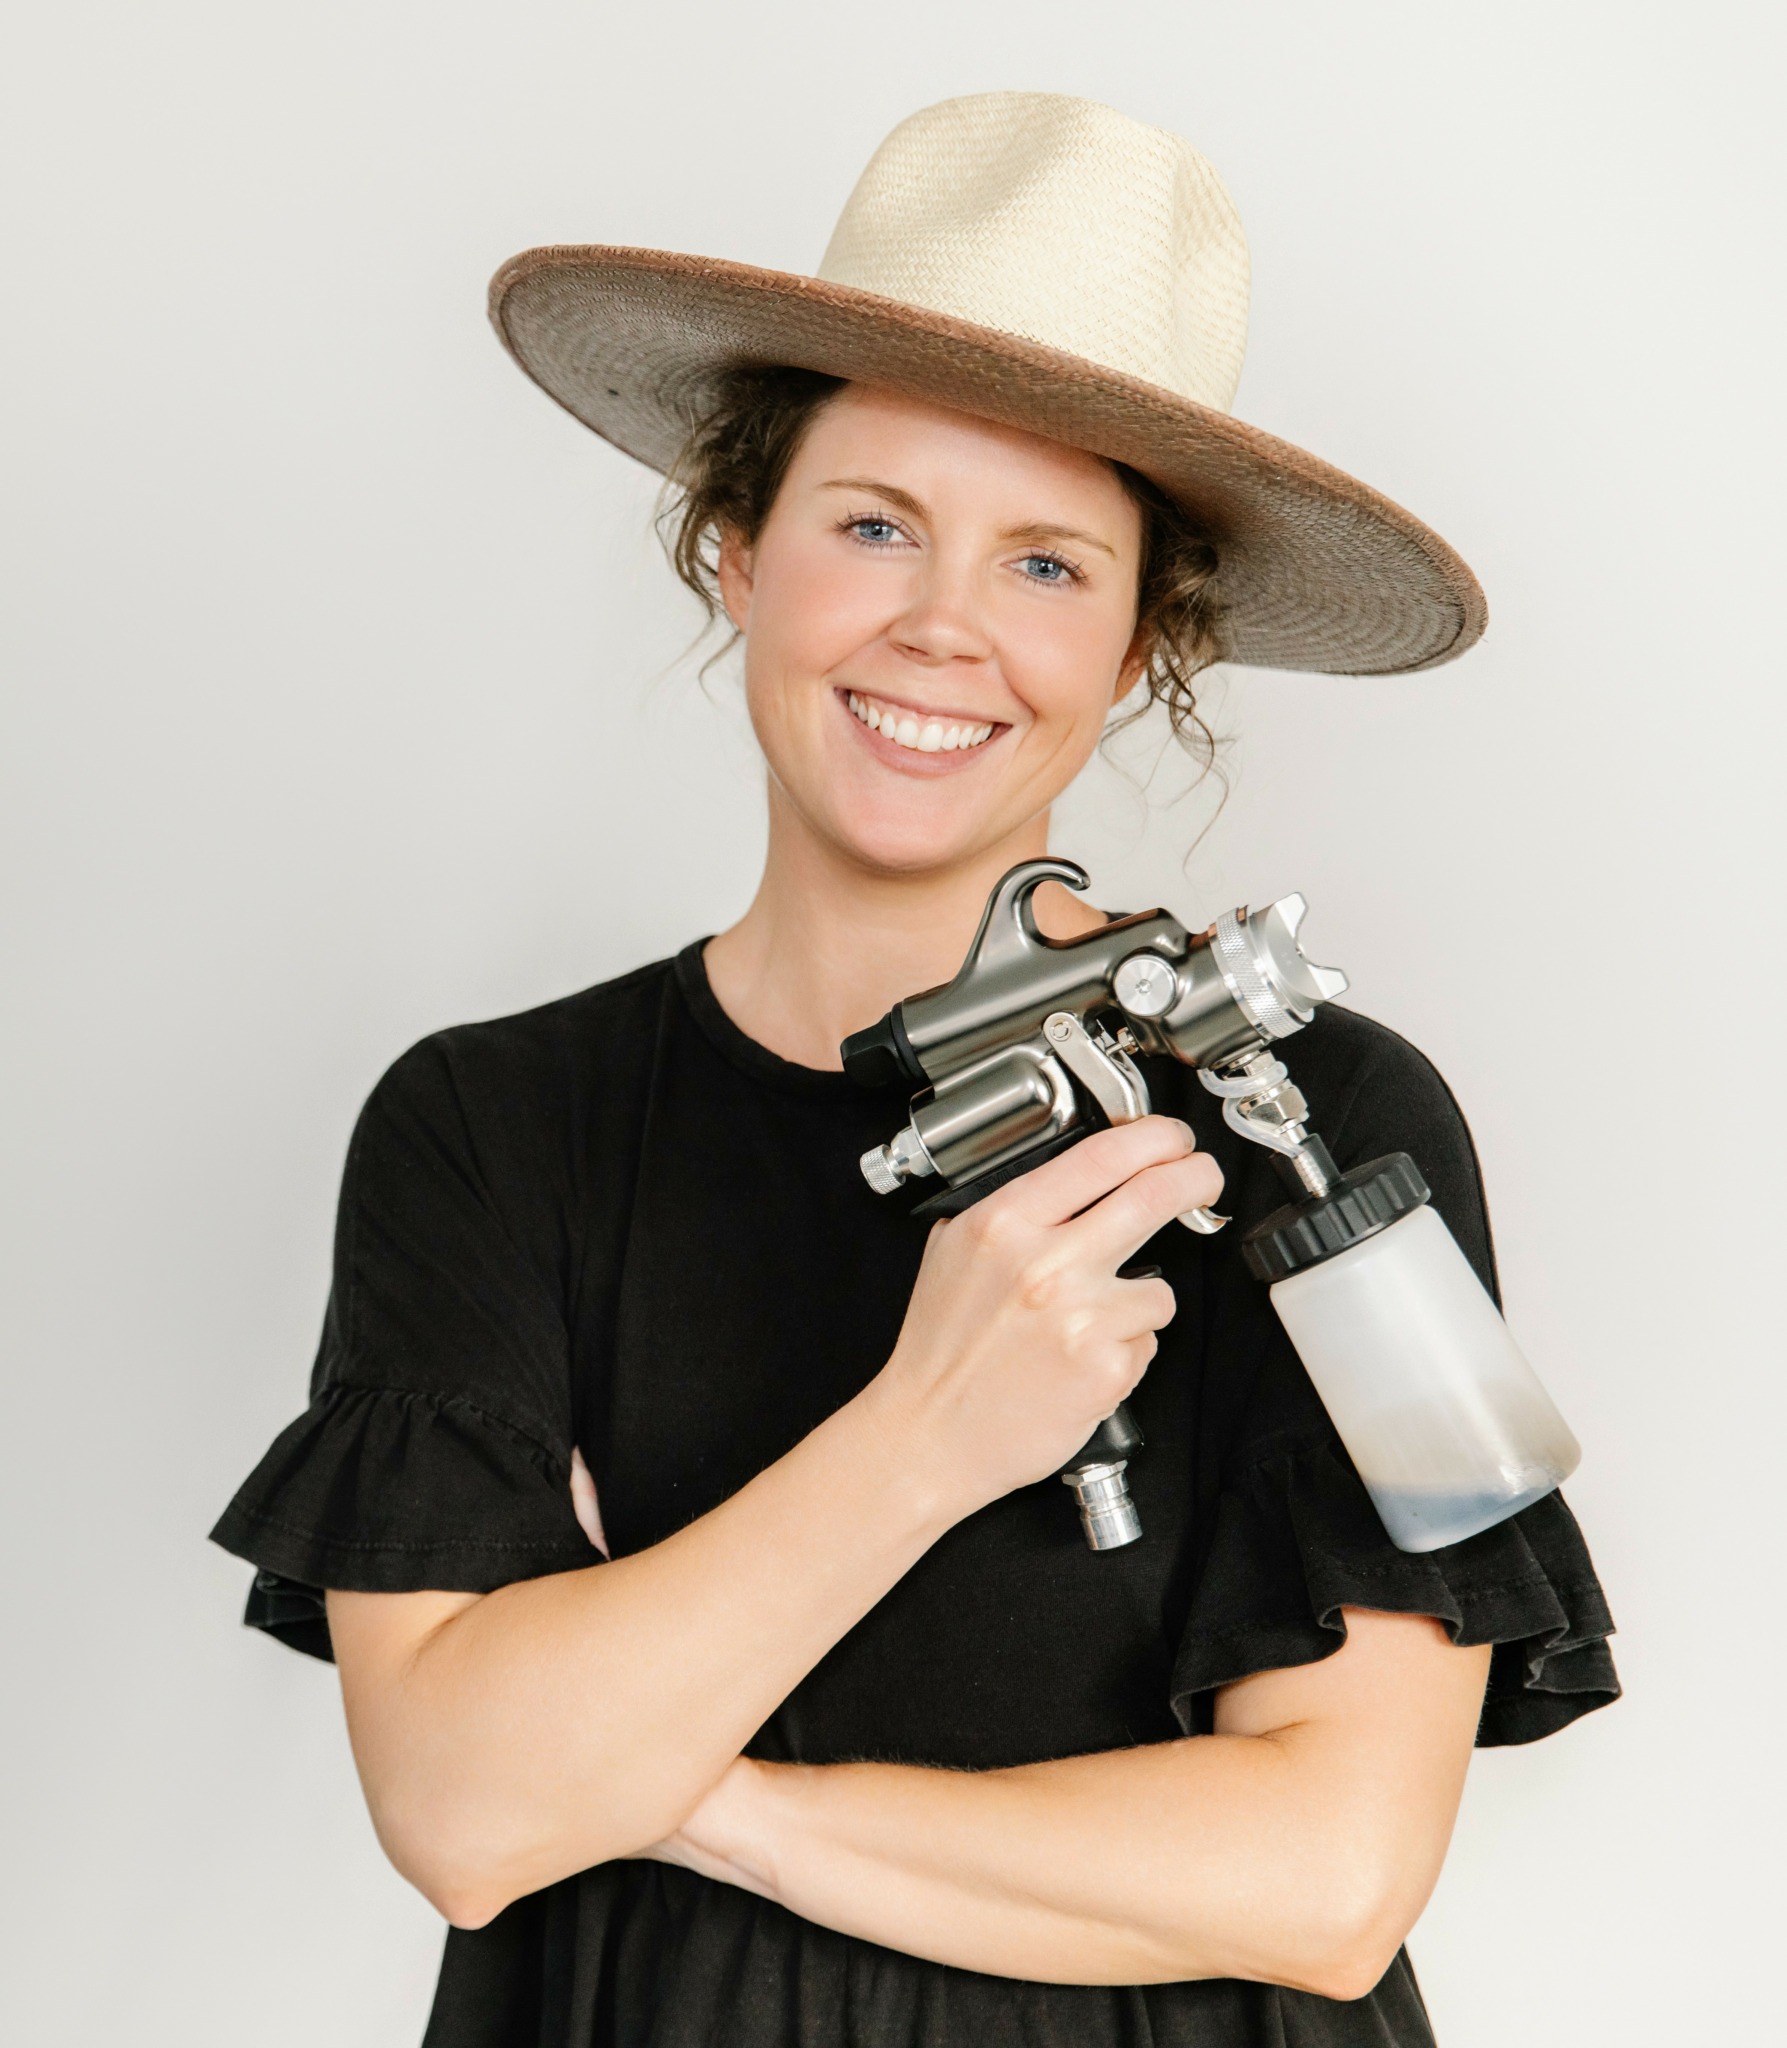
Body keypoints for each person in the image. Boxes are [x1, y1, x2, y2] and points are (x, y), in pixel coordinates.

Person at [212, 92, 1617, 2047]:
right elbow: (463, 1823)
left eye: (1048, 564)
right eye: (875, 526)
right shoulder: (488, 1129)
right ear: (736, 550)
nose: (945, 627)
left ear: (1140, 644)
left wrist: (675, 1789)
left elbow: (1329, 1878)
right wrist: (931, 1433)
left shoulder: (1331, 1124)